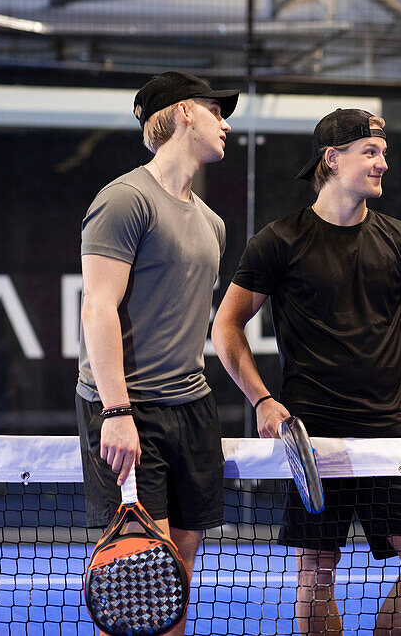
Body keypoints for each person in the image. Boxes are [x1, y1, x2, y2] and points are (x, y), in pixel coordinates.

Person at [211, 108, 401, 636]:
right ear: (332, 159)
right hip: (313, 438)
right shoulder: (278, 241)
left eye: (384, 153)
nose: (383, 164)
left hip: (390, 436)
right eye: (371, 152)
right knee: (316, 575)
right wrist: (260, 399)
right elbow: (226, 327)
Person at [75, 71, 239, 636]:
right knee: (142, 574)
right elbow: (97, 308)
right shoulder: (123, 201)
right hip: (129, 408)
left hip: (192, 408)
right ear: (185, 113)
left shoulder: (213, 224)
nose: (226, 124)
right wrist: (116, 413)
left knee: (180, 568)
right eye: (218, 112)